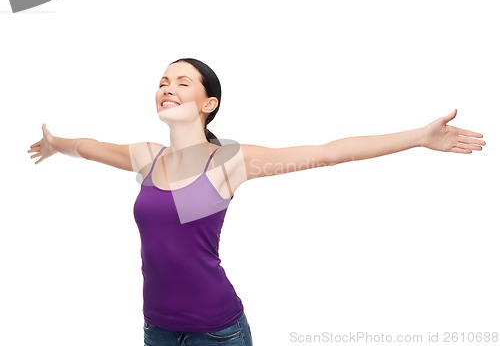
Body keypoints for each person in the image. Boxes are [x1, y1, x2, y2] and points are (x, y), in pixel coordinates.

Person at [28, 58, 486, 346]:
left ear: (209, 103)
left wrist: (419, 138)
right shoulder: (147, 157)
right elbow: (87, 146)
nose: (167, 87)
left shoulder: (231, 162)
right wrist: (55, 143)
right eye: (163, 81)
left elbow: (328, 152)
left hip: (217, 330)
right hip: (157, 328)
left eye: (182, 83)